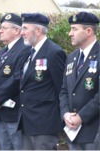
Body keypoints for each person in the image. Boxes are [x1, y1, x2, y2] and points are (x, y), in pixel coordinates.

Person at [18, 13, 66, 150]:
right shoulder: (29, 52)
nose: (22, 33)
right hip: (27, 120)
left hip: (44, 123)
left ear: (38, 31)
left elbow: (61, 88)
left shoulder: (54, 52)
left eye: (25, 28)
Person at [0, 13, 30, 150]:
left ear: (17, 30)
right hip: (0, 111)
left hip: (15, 112)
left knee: (18, 146)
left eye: (4, 28)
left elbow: (17, 78)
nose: (0, 31)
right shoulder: (4, 51)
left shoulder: (24, 49)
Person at [59, 11, 99, 150]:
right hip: (73, 131)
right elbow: (64, 90)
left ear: (88, 31)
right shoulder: (72, 58)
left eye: (74, 29)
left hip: (94, 131)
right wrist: (65, 114)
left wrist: (81, 116)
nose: (70, 33)